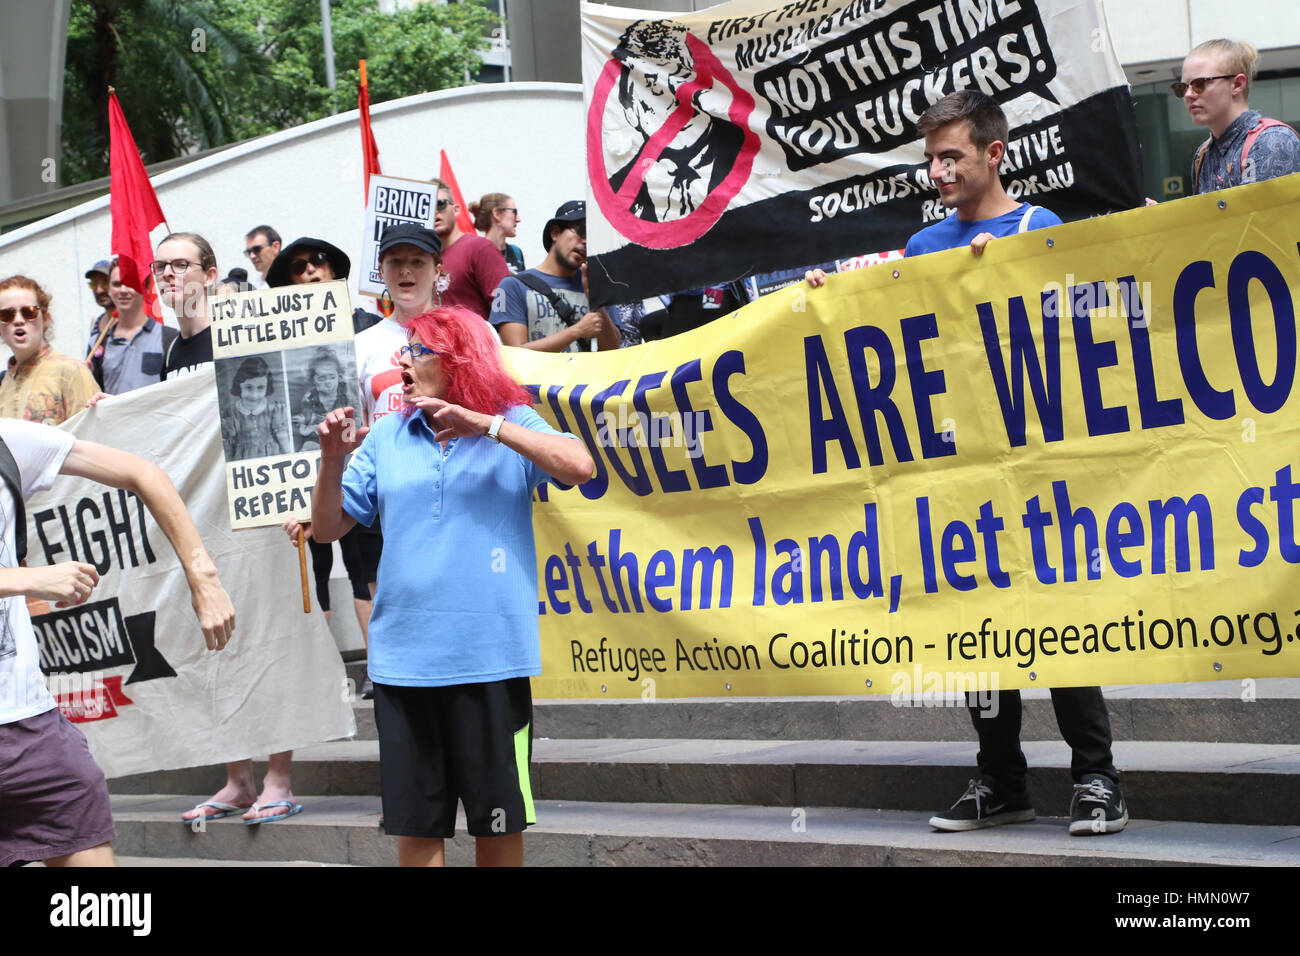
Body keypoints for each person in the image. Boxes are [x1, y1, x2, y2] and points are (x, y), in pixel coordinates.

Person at [810, 91, 1127, 836]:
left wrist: (1009, 273)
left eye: (951, 156)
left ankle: (1097, 777)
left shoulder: (1037, 227)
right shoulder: (924, 248)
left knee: (1054, 613)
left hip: (1037, 461)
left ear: (995, 153)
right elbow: (891, 334)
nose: (938, 171)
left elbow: (1076, 328)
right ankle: (1000, 777)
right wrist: (831, 302)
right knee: (975, 625)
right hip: (956, 467)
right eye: (931, 159)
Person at [310, 305, 595, 867]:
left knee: (497, 829)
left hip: (490, 662)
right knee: (417, 832)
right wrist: (331, 461)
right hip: (402, 664)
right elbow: (326, 529)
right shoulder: (390, 433)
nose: (403, 360)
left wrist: (483, 424)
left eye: (417, 350)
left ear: (457, 358)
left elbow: (578, 464)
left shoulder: (511, 420)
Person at [0, 418, 236, 867]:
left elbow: (144, 473)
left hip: (32, 725)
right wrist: (25, 578)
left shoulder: (9, 442)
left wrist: (202, 574)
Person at [152, 232, 298, 824]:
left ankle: (279, 779)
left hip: (261, 514)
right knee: (217, 642)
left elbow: (286, 409)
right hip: (204, 520)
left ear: (210, 275)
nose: (168, 276)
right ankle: (237, 778)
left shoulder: (241, 330)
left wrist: (300, 494)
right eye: (160, 267)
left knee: (269, 636)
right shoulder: (170, 352)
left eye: (180, 265)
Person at [490, 201, 622, 353]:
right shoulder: (513, 286)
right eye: (581, 231)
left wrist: (596, 302)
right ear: (555, 233)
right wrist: (577, 331)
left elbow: (613, 349)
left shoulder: (597, 286)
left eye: (594, 238)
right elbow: (515, 354)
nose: (586, 242)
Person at [1177, 39, 1300, 193]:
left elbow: (1272, 216)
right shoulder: (1202, 156)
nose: (1188, 94)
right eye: (1182, 87)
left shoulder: (1273, 140)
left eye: (1199, 84)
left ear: (1237, 84)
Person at [0, 276, 99, 425]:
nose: (18, 320)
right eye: (7, 315)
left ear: (45, 318)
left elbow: (93, 436)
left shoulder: (71, 371)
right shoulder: (3, 383)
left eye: (29, 312)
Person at [86, 261, 178, 395]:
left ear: (146, 288)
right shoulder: (98, 343)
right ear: (110, 290)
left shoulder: (170, 339)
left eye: (131, 284)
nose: (123, 290)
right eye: (117, 284)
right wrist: (81, 376)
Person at [265, 236, 382, 335]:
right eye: (299, 267)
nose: (310, 269)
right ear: (290, 284)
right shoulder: (286, 336)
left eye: (318, 259)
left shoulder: (374, 326)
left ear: (332, 271)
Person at [430, 180, 510, 320]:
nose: (435, 211)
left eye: (440, 204)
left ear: (456, 210)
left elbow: (504, 308)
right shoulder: (422, 259)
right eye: (427, 206)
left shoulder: (481, 249)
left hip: (476, 340)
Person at [222, 356, 290, 461]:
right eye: (249, 387)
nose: (254, 395)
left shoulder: (274, 409)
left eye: (260, 388)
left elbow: (282, 437)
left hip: (272, 457)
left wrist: (290, 457)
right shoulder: (232, 412)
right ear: (239, 385)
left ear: (267, 387)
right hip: (243, 460)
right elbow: (229, 446)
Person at [470, 193, 525, 273]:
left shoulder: (516, 252)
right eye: (514, 212)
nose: (518, 219)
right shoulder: (474, 254)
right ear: (497, 214)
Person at [84, 259, 114, 339]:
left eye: (105, 283)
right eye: (94, 284)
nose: (99, 290)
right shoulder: (95, 325)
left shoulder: (130, 324)